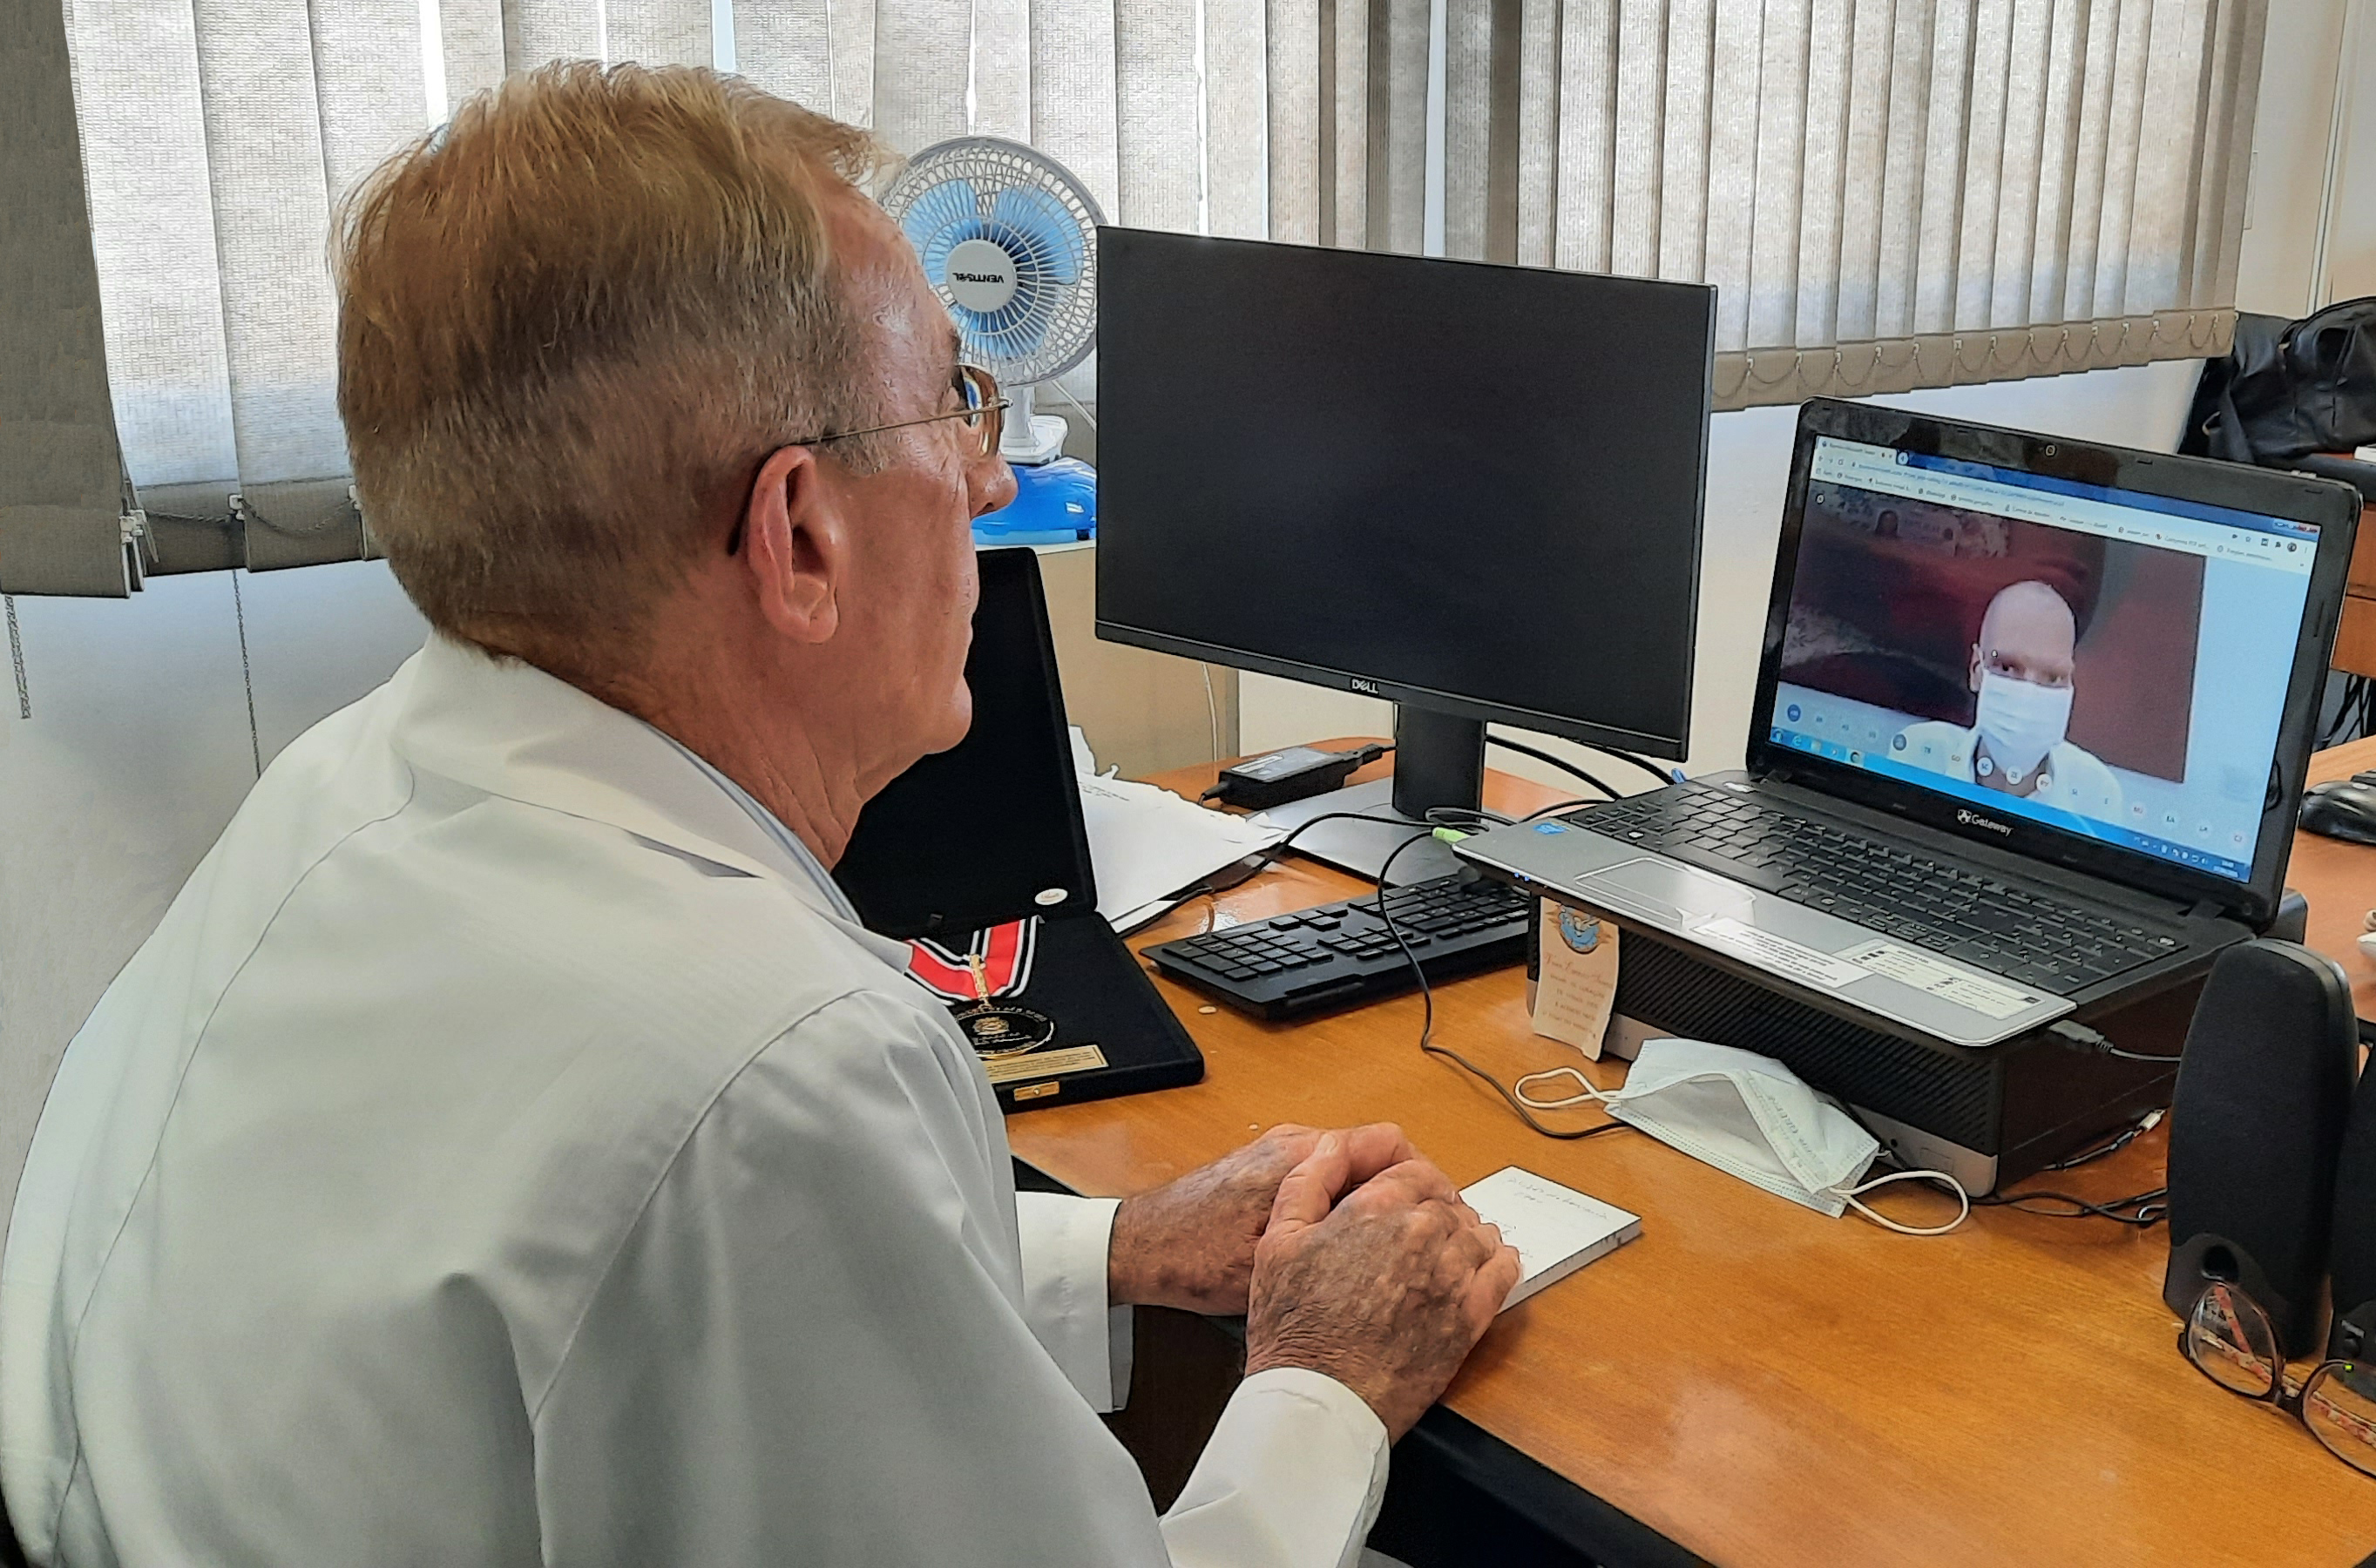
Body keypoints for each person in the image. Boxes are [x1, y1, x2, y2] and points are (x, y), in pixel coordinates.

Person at [0, 64, 1517, 1568]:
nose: (989, 482)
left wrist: (1113, 1246)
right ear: (797, 533)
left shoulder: (345, 788)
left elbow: (656, 1301)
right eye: (952, 404)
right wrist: (1321, 1388)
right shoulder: (765, 1071)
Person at [1894, 579, 2124, 821]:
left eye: (2054, 677)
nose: (2028, 693)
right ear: (1976, 670)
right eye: (2006, 666)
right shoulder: (1917, 754)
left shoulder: (2098, 793)